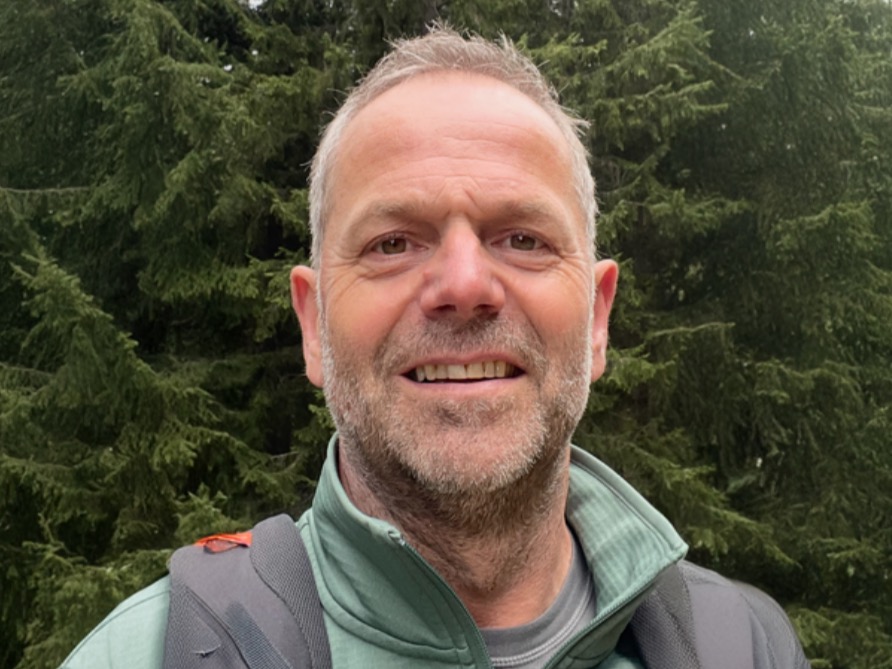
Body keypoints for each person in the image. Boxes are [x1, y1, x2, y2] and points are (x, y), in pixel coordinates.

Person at [62, 27, 811, 669]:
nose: (464, 284)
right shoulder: (148, 654)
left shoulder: (744, 646)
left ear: (597, 318)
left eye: (524, 239)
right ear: (313, 325)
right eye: (393, 243)